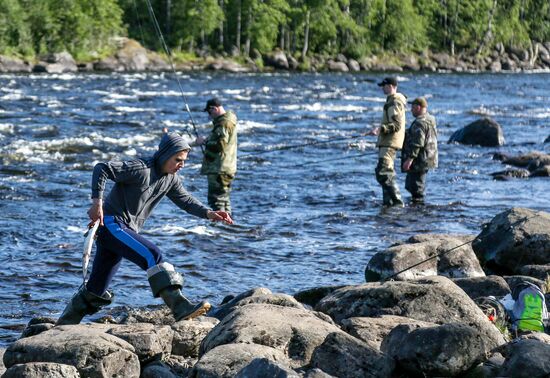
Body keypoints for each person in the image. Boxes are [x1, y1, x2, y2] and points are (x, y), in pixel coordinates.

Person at [56, 131, 233, 325]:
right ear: (166, 155)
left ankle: (64, 324)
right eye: (178, 159)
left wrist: (209, 213)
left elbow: (186, 201)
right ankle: (180, 307)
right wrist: (97, 203)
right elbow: (102, 168)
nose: (182, 164)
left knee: (96, 287)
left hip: (121, 231)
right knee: (153, 255)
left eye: (184, 161)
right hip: (112, 224)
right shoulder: (140, 168)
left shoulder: (170, 179)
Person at [368, 77, 407, 207]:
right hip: (388, 142)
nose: (382, 88)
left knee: (383, 172)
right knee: (385, 172)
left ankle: (397, 203)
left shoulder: (394, 101)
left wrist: (380, 129)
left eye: (383, 86)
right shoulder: (392, 100)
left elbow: (396, 125)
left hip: (389, 142)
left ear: (390, 86)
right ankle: (388, 204)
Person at [195, 98, 238, 214]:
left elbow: (220, 145)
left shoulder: (224, 123)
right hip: (226, 167)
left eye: (210, 112)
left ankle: (219, 228)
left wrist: (204, 142)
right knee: (224, 200)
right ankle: (227, 226)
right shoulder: (228, 120)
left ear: (214, 108)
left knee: (216, 200)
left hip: (219, 168)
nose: (210, 115)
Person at [401, 97, 438, 203]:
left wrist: (409, 160)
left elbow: (418, 143)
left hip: (419, 160)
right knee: (413, 185)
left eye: (412, 107)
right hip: (429, 158)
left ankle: (419, 211)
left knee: (416, 188)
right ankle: (418, 209)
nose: (411, 110)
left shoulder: (419, 122)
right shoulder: (431, 119)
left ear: (418, 107)